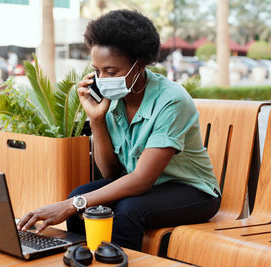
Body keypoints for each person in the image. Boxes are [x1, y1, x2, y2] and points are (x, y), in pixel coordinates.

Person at [17, 9, 221, 251]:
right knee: (81, 199)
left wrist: (73, 204)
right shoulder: (113, 98)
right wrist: (96, 119)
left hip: (192, 191)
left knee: (126, 211)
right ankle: (85, 259)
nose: (102, 79)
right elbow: (110, 172)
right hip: (146, 187)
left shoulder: (171, 100)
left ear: (140, 64)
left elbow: (142, 180)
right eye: (97, 70)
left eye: (111, 71)